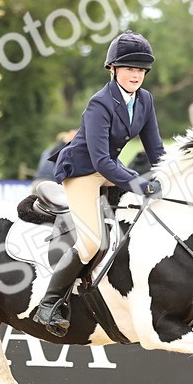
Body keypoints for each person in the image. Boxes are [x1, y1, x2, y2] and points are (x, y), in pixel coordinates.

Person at [32, 30, 165, 336]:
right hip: (83, 170)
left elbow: (156, 151)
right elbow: (101, 160)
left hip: (109, 168)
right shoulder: (99, 103)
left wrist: (170, 178)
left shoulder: (145, 100)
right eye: (130, 68)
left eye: (141, 70)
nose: (136, 75)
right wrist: (138, 183)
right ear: (113, 69)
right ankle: (50, 303)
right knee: (92, 241)